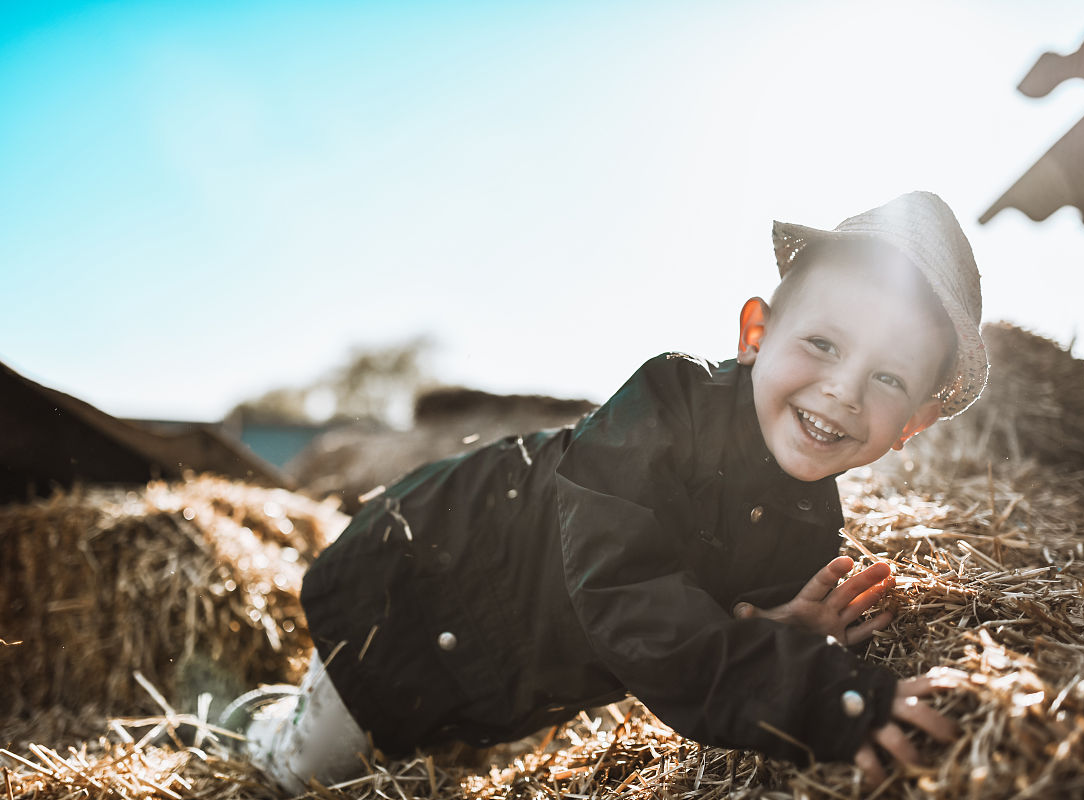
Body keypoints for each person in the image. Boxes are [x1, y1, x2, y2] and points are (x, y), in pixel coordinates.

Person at [227, 190, 988, 793]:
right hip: (414, 595)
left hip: (505, 668)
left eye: (888, 378)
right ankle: (250, 725)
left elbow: (714, 631)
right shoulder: (665, 405)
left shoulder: (809, 525)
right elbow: (635, 606)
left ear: (913, 424)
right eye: (822, 344)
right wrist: (833, 699)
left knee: (417, 759)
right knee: (305, 774)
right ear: (755, 333)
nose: (844, 390)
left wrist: (780, 623)